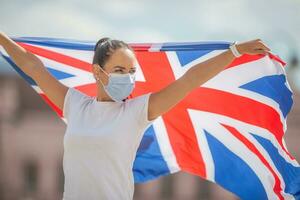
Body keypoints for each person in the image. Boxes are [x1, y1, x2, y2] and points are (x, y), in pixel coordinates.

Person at [0, 32, 270, 200]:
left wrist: (234, 51)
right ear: (97, 72)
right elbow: (33, 66)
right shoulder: (75, 104)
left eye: (131, 71)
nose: (128, 78)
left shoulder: (138, 112)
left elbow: (189, 80)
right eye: (119, 70)